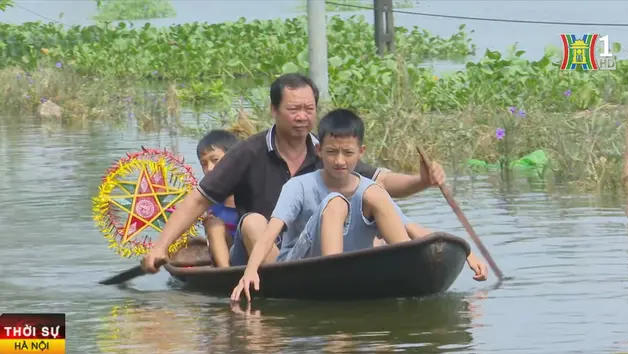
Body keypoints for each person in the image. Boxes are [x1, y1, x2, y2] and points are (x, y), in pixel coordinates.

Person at [142, 73, 448, 273]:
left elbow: (380, 181)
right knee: (254, 222)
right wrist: (160, 246)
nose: (303, 117)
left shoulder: (327, 151)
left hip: (309, 253)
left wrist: (422, 180)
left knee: (371, 228)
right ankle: (290, 279)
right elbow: (199, 200)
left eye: (309, 109)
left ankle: (385, 269)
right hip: (255, 256)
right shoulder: (248, 152)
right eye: (293, 109)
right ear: (274, 110)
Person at [230, 109, 488, 301]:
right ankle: (334, 276)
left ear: (361, 152)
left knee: (376, 193)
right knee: (335, 202)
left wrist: (467, 253)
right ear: (319, 150)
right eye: (331, 152)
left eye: (348, 153)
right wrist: (250, 271)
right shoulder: (299, 186)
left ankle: (406, 269)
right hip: (304, 264)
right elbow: (271, 233)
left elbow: (410, 228)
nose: (339, 161)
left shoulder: (368, 188)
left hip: (353, 262)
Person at [197, 130, 241, 268]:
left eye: (215, 160)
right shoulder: (207, 200)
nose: (209, 168)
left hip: (250, 251)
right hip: (226, 257)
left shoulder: (253, 190)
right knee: (213, 225)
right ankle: (226, 274)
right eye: (204, 164)